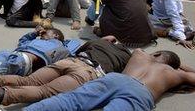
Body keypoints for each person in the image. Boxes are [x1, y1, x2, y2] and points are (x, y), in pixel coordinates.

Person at [0, 37, 132, 110]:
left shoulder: (101, 42)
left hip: (70, 61)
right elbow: (120, 79)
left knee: (28, 80)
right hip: (88, 71)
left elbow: (79, 50)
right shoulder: (127, 58)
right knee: (45, 91)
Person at [24, 49, 195, 111]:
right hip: (141, 93)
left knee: (71, 100)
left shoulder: (139, 53)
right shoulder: (175, 73)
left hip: (116, 79)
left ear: (157, 54)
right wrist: (182, 68)